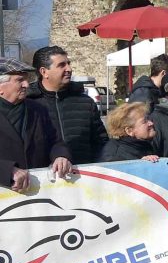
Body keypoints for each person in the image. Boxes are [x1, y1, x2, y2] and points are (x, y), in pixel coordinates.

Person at [0, 57, 72, 190]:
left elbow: (55, 142)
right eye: (20, 80)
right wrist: (6, 170)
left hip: (38, 192)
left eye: (26, 80)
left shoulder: (37, 109)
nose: (26, 85)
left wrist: (60, 156)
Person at [28, 45, 107, 164]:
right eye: (61, 65)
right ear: (44, 72)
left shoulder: (85, 102)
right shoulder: (29, 104)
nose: (69, 69)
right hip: (43, 174)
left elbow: (101, 142)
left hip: (84, 172)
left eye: (68, 63)